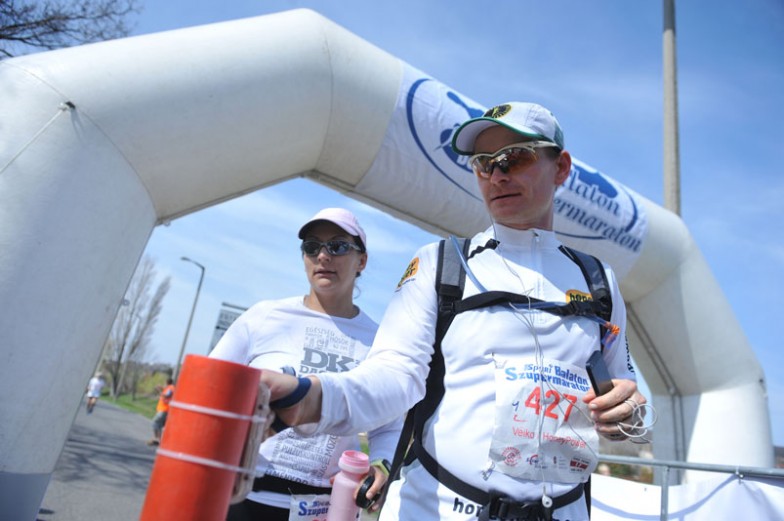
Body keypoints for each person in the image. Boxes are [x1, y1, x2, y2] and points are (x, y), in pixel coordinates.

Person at [261, 102, 649, 521]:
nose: (497, 175)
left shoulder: (598, 280)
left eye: (515, 158)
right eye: (484, 163)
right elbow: (394, 373)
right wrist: (313, 398)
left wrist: (631, 414)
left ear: (561, 168)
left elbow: (628, 403)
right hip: (441, 509)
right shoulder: (441, 264)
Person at [209, 208, 399, 521]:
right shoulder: (264, 317)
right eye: (312, 247)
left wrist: (382, 463)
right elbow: (211, 386)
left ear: (362, 261)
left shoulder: (379, 340)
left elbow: (390, 423)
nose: (323, 256)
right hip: (243, 496)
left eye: (338, 246)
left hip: (326, 508)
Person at [147, 377, 175, 446]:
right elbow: (165, 390)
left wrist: (160, 392)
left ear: (166, 382)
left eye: (164, 383)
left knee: (155, 422)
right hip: (162, 410)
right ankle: (158, 440)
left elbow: (167, 395)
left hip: (164, 410)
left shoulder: (171, 388)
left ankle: (156, 438)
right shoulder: (168, 388)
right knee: (159, 425)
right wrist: (160, 387)